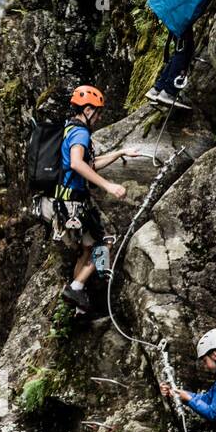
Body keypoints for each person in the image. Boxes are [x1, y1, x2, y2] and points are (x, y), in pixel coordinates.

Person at [42, 85, 135, 314]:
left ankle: (78, 307)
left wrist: (118, 153)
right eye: (98, 111)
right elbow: (76, 163)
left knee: (86, 250)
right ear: (88, 109)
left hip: (62, 202)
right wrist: (108, 185)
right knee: (104, 243)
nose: (100, 116)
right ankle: (75, 287)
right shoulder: (81, 132)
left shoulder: (68, 129)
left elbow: (88, 164)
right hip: (72, 203)